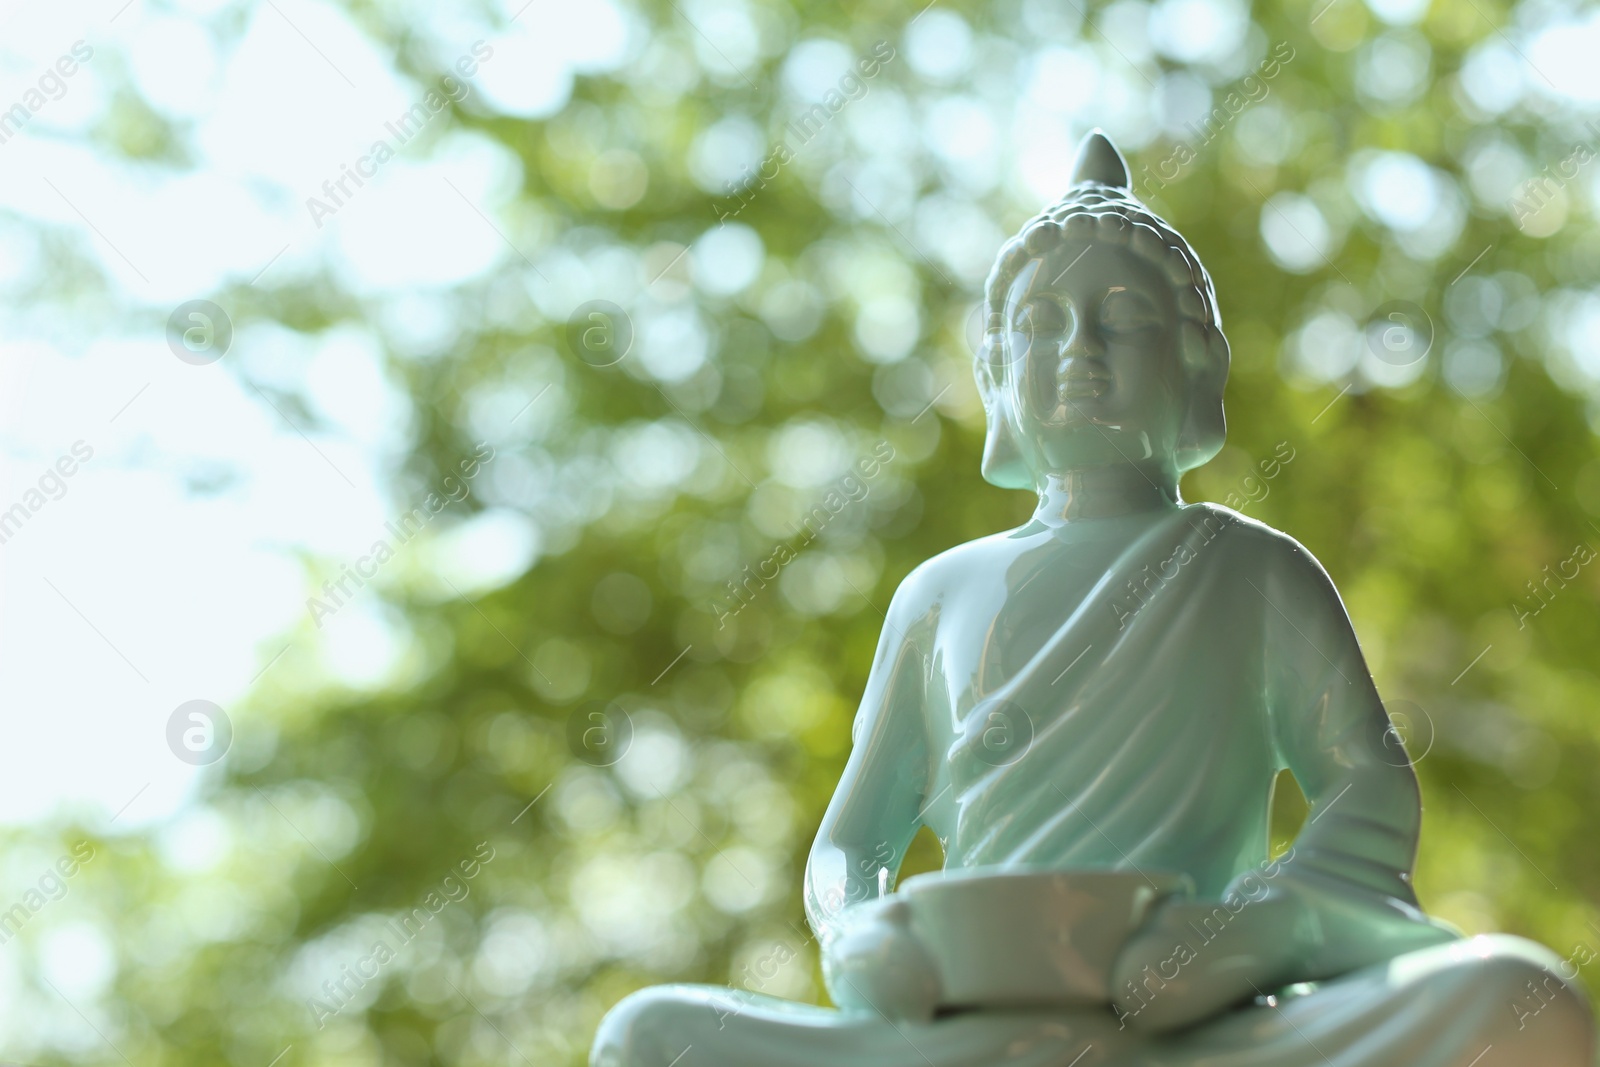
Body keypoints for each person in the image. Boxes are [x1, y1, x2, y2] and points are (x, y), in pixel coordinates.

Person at [590, 131, 1595, 1067]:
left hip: (1194, 1023)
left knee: (1519, 996)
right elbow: (855, 840)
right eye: (1041, 322)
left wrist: (1252, 931)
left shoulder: (1251, 568)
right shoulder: (938, 594)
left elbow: (1365, 786)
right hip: (969, 1025)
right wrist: (859, 931)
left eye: (1124, 318)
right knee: (649, 1034)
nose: (1081, 347)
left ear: (1195, 363)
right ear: (995, 373)